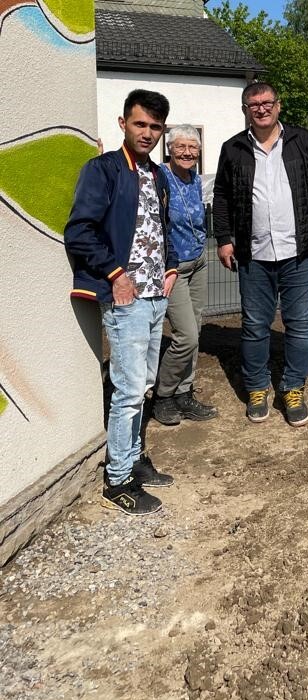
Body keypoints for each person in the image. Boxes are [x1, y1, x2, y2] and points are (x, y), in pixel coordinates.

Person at [64, 89, 178, 516]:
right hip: (125, 297)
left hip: (154, 295)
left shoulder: (158, 175)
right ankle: (118, 480)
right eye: (140, 124)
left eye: (155, 127)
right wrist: (115, 274)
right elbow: (79, 231)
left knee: (142, 385)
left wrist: (170, 267)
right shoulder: (104, 169)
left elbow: (161, 227)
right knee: (128, 391)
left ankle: (134, 458)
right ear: (123, 124)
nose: (147, 133)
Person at [212, 81, 308, 426]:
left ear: (278, 105)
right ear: (245, 111)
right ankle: (256, 387)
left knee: (299, 324)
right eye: (254, 105)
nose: (261, 109)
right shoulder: (233, 148)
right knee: (255, 325)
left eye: (267, 102)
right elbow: (221, 196)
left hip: (300, 251)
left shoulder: (302, 141)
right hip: (253, 254)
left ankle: (293, 387)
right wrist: (223, 238)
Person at [152, 125, 218, 425]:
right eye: (181, 146)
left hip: (198, 262)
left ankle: (184, 392)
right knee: (186, 336)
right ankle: (163, 395)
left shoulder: (194, 178)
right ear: (169, 148)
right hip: (173, 268)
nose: (187, 152)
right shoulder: (159, 177)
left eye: (193, 147)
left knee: (196, 331)